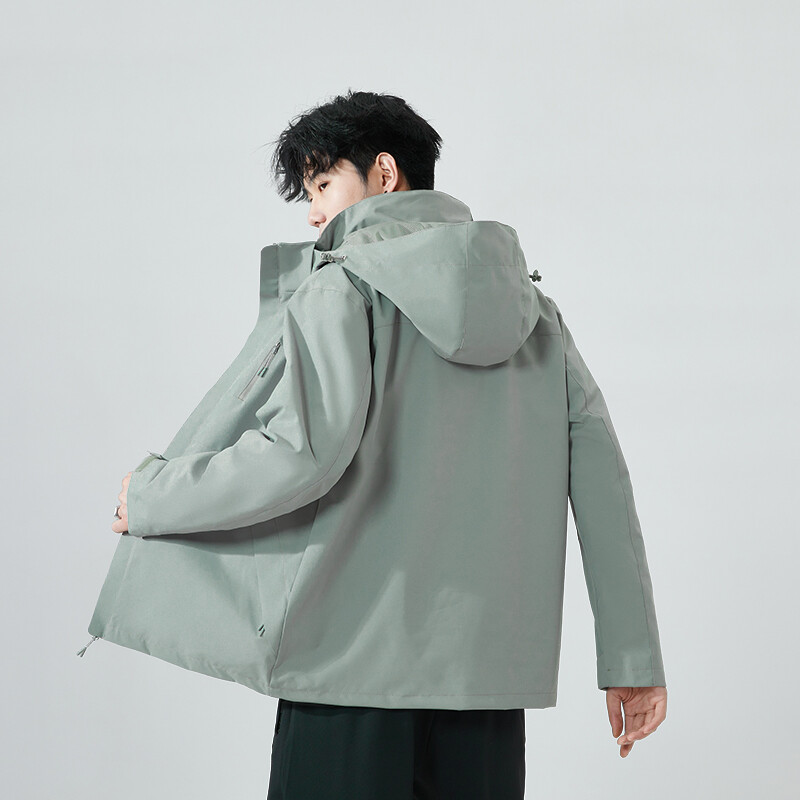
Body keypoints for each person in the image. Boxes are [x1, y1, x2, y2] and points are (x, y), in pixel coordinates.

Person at [111, 90, 667, 798]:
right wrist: (632, 660)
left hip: (348, 672)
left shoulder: (343, 288)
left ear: (383, 172)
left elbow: (301, 454)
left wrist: (154, 495)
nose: (313, 213)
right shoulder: (536, 316)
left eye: (322, 185)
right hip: (484, 690)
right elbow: (601, 481)